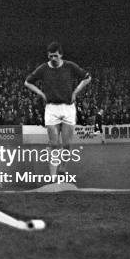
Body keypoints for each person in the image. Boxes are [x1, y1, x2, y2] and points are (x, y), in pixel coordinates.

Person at [24, 42, 91, 176]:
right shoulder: (43, 68)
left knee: (66, 144)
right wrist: (41, 94)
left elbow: (87, 77)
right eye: (50, 56)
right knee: (54, 144)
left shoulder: (70, 66)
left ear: (61, 55)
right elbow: (27, 82)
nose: (53, 59)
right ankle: (54, 172)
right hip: (51, 109)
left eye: (55, 56)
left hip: (68, 108)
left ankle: (62, 167)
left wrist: (75, 93)